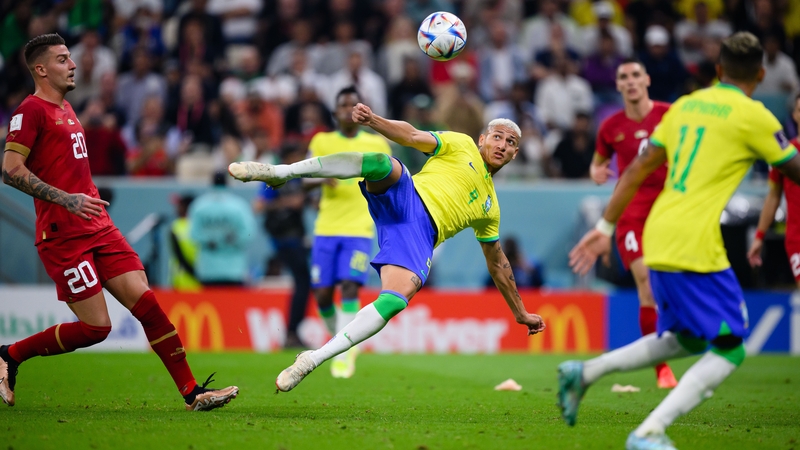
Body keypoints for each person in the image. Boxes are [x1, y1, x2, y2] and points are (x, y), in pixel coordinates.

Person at [560, 32, 800, 450]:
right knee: (731, 346)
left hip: (660, 231)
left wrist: (602, 229)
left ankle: (585, 373)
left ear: (718, 70)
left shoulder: (685, 106)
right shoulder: (756, 116)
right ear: (761, 74)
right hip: (694, 241)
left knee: (688, 337)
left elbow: (633, 169)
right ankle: (649, 431)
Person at [229, 106, 546, 393]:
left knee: (395, 301)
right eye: (497, 137)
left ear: (516, 153)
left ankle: (312, 359)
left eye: (510, 143)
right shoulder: (461, 145)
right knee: (382, 163)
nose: (502, 145)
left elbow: (497, 262)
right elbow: (410, 136)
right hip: (407, 196)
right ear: (482, 139)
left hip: (420, 236)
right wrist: (374, 121)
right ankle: (282, 173)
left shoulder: (491, 209)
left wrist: (520, 313)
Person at [0, 33, 238, 411]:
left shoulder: (67, 108)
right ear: (40, 69)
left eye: (70, 57)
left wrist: (86, 197)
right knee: (97, 329)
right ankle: (10, 354)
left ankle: (193, 393)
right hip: (63, 234)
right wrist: (67, 199)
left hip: (98, 226)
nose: (73, 64)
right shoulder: (30, 112)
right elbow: (10, 170)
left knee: (147, 303)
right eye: (62, 59)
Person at [589, 58, 678, 389]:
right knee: (646, 285)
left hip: (669, 209)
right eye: (623, 77)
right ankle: (662, 370)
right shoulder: (611, 126)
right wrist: (596, 172)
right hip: (630, 212)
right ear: (617, 85)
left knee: (670, 284)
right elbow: (597, 164)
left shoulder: (670, 114)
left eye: (635, 75)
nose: (630, 81)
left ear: (647, 79)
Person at [304, 86, 391, 378]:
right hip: (326, 226)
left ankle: (346, 352)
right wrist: (320, 178)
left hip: (358, 228)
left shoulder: (377, 143)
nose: (348, 109)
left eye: (353, 104)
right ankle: (338, 340)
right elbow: (303, 178)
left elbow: (390, 182)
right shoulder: (322, 140)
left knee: (349, 286)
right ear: (335, 112)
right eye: (343, 105)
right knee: (323, 294)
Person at [254, 144, 311, 349]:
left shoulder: (300, 178)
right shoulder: (275, 177)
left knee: (303, 282)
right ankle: (292, 332)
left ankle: (293, 331)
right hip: (284, 238)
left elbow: (308, 201)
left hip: (296, 236)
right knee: (303, 281)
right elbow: (258, 206)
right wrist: (288, 202)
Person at [748, 94, 800, 286]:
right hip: (797, 238)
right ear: (795, 115)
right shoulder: (784, 154)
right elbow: (773, 197)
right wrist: (759, 236)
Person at [189, 171, 257, 286]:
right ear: (228, 183)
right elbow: (249, 233)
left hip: (208, 270)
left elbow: (194, 234)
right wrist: (231, 240)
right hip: (234, 269)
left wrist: (210, 240)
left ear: (211, 182)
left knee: (210, 304)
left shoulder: (199, 205)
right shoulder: (239, 206)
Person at [169, 194, 201, 291]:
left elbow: (178, 254)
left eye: (180, 206)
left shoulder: (176, 226)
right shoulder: (200, 226)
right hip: (200, 280)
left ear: (186, 207)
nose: (177, 209)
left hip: (180, 280)